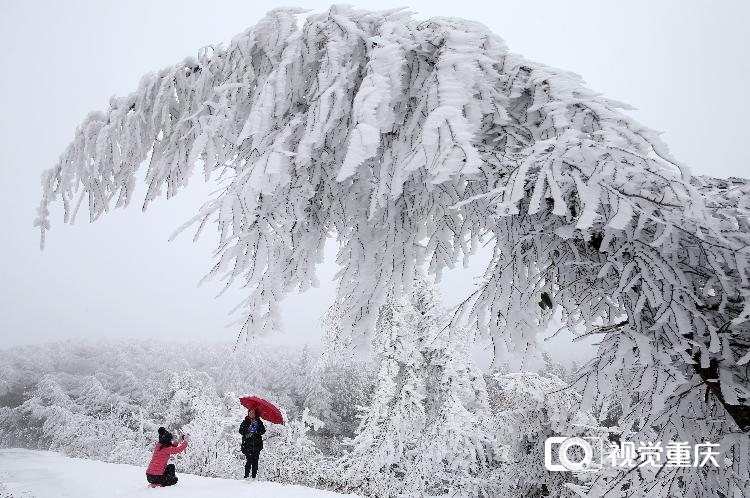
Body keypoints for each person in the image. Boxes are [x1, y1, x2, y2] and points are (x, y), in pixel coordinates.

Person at [239, 408, 266, 479]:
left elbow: (263, 431)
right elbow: (241, 431)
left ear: (255, 414)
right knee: (249, 460)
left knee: (255, 462)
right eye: (250, 412)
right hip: (247, 445)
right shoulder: (245, 421)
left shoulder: (259, 422)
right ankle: (246, 477)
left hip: (257, 445)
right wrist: (249, 429)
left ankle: (254, 477)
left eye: (252, 412)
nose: (251, 414)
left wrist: (256, 431)